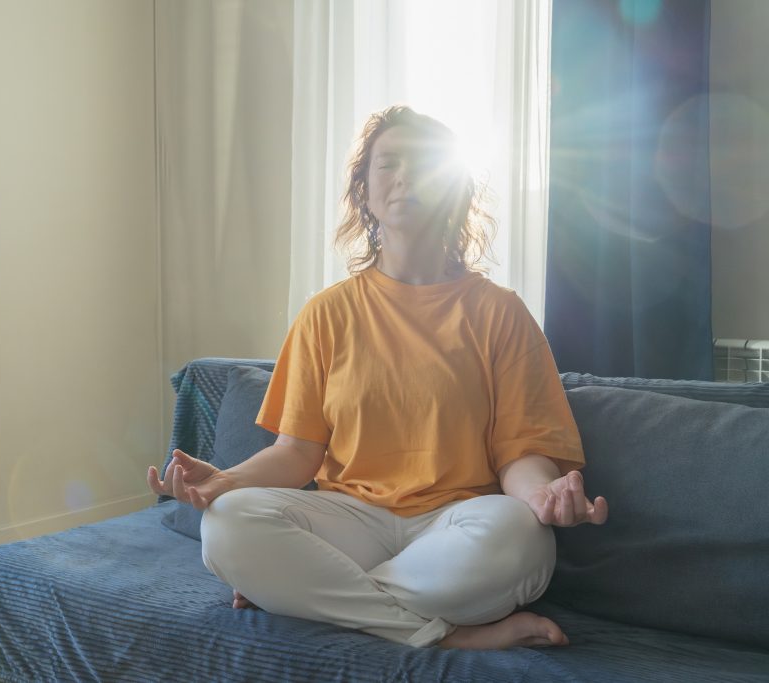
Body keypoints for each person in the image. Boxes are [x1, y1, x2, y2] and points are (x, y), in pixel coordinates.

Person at [147, 105, 608, 650]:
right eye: (388, 164)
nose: (406, 177)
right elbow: (297, 454)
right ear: (364, 191)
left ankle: (315, 599)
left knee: (523, 539)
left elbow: (520, 454)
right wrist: (226, 481)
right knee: (227, 524)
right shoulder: (327, 313)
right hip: (351, 520)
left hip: (457, 524)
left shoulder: (500, 312)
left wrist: (544, 496)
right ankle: (444, 636)